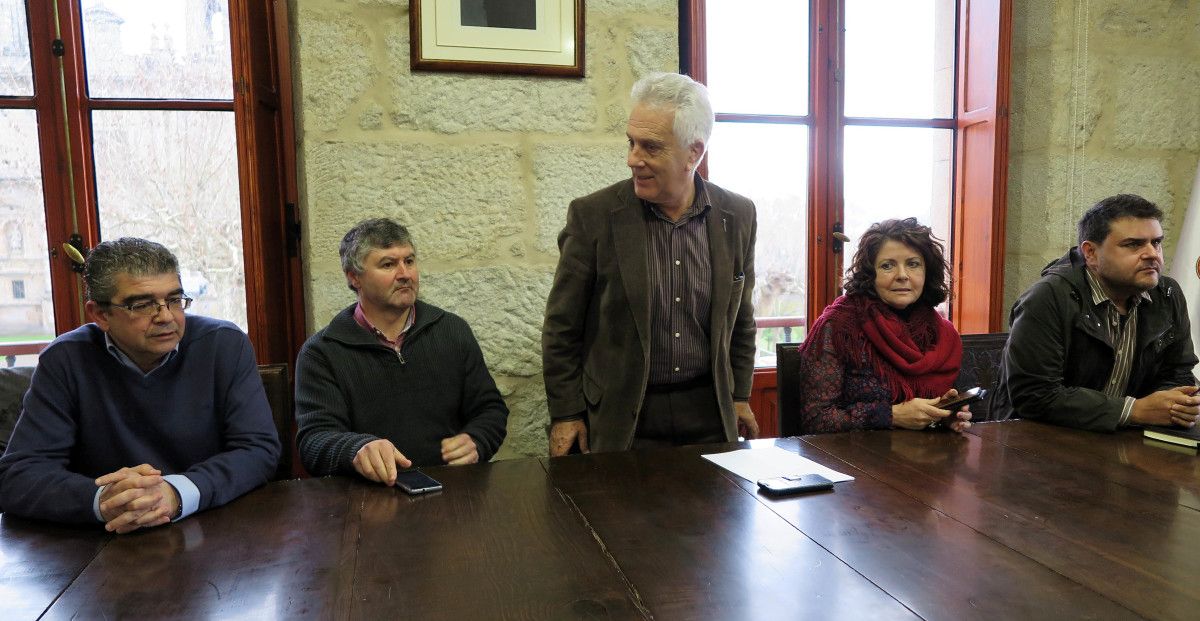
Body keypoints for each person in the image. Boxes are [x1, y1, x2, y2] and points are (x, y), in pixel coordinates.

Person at [542, 72, 760, 454]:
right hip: (623, 417)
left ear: (694, 152)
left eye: (651, 148)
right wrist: (566, 414)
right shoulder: (593, 216)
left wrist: (739, 394)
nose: (633, 160)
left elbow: (741, 319)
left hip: (709, 415)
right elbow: (562, 328)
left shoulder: (737, 215)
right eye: (631, 143)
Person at [0, 238, 280, 533]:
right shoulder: (65, 360)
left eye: (175, 299)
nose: (166, 317)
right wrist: (103, 501)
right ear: (100, 314)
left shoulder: (223, 344)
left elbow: (258, 450)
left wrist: (175, 493)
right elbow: (18, 475)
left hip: (213, 530)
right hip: (103, 544)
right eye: (143, 304)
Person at [295, 218, 508, 485]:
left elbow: (490, 409)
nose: (405, 273)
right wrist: (356, 450)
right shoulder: (322, 353)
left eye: (409, 261)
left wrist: (477, 440)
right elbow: (314, 441)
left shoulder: (452, 331)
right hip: (368, 502)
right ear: (354, 277)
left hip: (452, 494)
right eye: (388, 264)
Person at [995, 194, 1199, 430]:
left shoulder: (1167, 294)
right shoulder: (1048, 298)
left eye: (1156, 242)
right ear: (1090, 253)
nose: (1152, 254)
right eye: (1133, 244)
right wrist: (1132, 410)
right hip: (1036, 440)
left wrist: (1175, 405)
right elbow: (1035, 396)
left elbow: (1178, 372)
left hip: (1123, 437)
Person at [796, 218, 972, 434]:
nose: (902, 275)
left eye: (913, 264)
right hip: (853, 461)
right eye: (887, 265)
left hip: (923, 460)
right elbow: (816, 419)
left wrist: (943, 416)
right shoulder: (839, 326)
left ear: (927, 272)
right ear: (870, 274)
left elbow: (926, 416)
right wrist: (891, 415)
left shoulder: (940, 333)